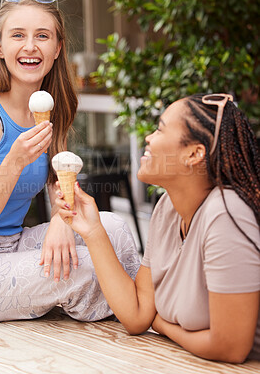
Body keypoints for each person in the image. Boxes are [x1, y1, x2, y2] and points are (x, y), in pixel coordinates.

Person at [0, 0, 140, 322]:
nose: (30, 46)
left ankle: (143, 309)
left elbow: (58, 186)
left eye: (42, 35)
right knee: (86, 269)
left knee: (114, 229)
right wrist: (13, 161)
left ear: (57, 48)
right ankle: (145, 315)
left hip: (12, 245)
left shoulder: (49, 110)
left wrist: (59, 222)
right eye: (18, 35)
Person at [57, 93, 260, 362]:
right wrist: (92, 231)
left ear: (194, 154)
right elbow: (138, 314)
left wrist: (164, 326)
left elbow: (230, 347)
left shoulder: (226, 213)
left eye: (161, 128)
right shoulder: (167, 209)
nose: (149, 138)